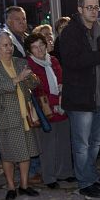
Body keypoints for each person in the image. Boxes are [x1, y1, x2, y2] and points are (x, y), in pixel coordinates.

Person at [58, 0, 100, 199]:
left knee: (96, 142)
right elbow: (72, 63)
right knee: (82, 145)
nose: (94, 11)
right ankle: (85, 182)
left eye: (96, 7)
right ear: (80, 9)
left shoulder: (99, 29)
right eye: (89, 7)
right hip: (81, 99)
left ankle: (92, 176)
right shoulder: (70, 33)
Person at [0, 31, 41, 200]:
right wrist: (17, 78)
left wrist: (31, 78)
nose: (9, 48)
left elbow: (33, 84)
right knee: (7, 153)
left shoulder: (20, 62)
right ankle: (10, 186)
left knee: (26, 151)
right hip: (6, 115)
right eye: (5, 45)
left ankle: (24, 185)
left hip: (25, 114)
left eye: (11, 45)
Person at [25, 32, 73, 189]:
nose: (39, 49)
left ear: (46, 46)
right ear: (29, 51)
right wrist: (55, 101)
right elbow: (37, 90)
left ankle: (65, 172)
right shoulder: (29, 65)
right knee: (48, 145)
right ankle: (49, 177)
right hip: (45, 110)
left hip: (62, 105)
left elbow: (62, 79)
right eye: (35, 47)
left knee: (64, 142)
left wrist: (62, 95)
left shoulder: (53, 60)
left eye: (41, 45)